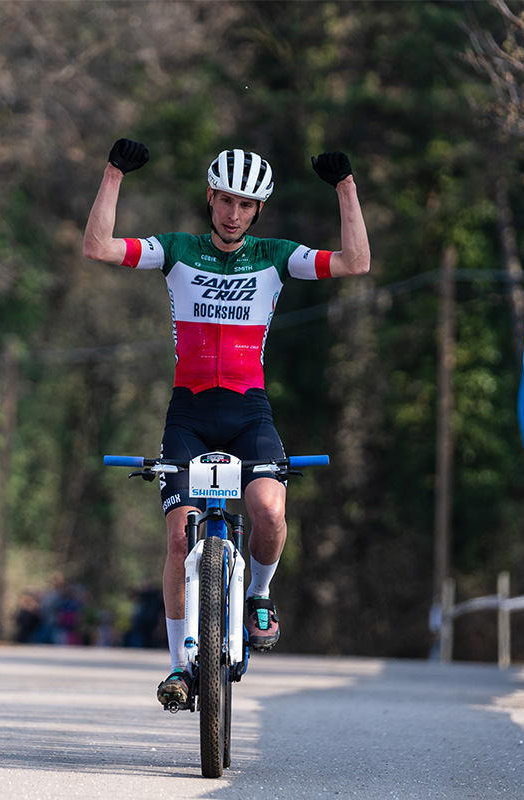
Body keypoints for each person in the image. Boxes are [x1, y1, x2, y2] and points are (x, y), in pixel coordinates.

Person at [83, 139, 370, 708]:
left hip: (248, 412)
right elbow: (98, 248)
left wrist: (346, 188)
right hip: (188, 414)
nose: (233, 213)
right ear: (209, 198)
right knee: (177, 536)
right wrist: (114, 174)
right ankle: (176, 669)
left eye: (245, 204)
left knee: (267, 510)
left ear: (257, 209)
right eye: (224, 201)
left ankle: (259, 596)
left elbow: (355, 263)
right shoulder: (177, 249)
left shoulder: (275, 254)